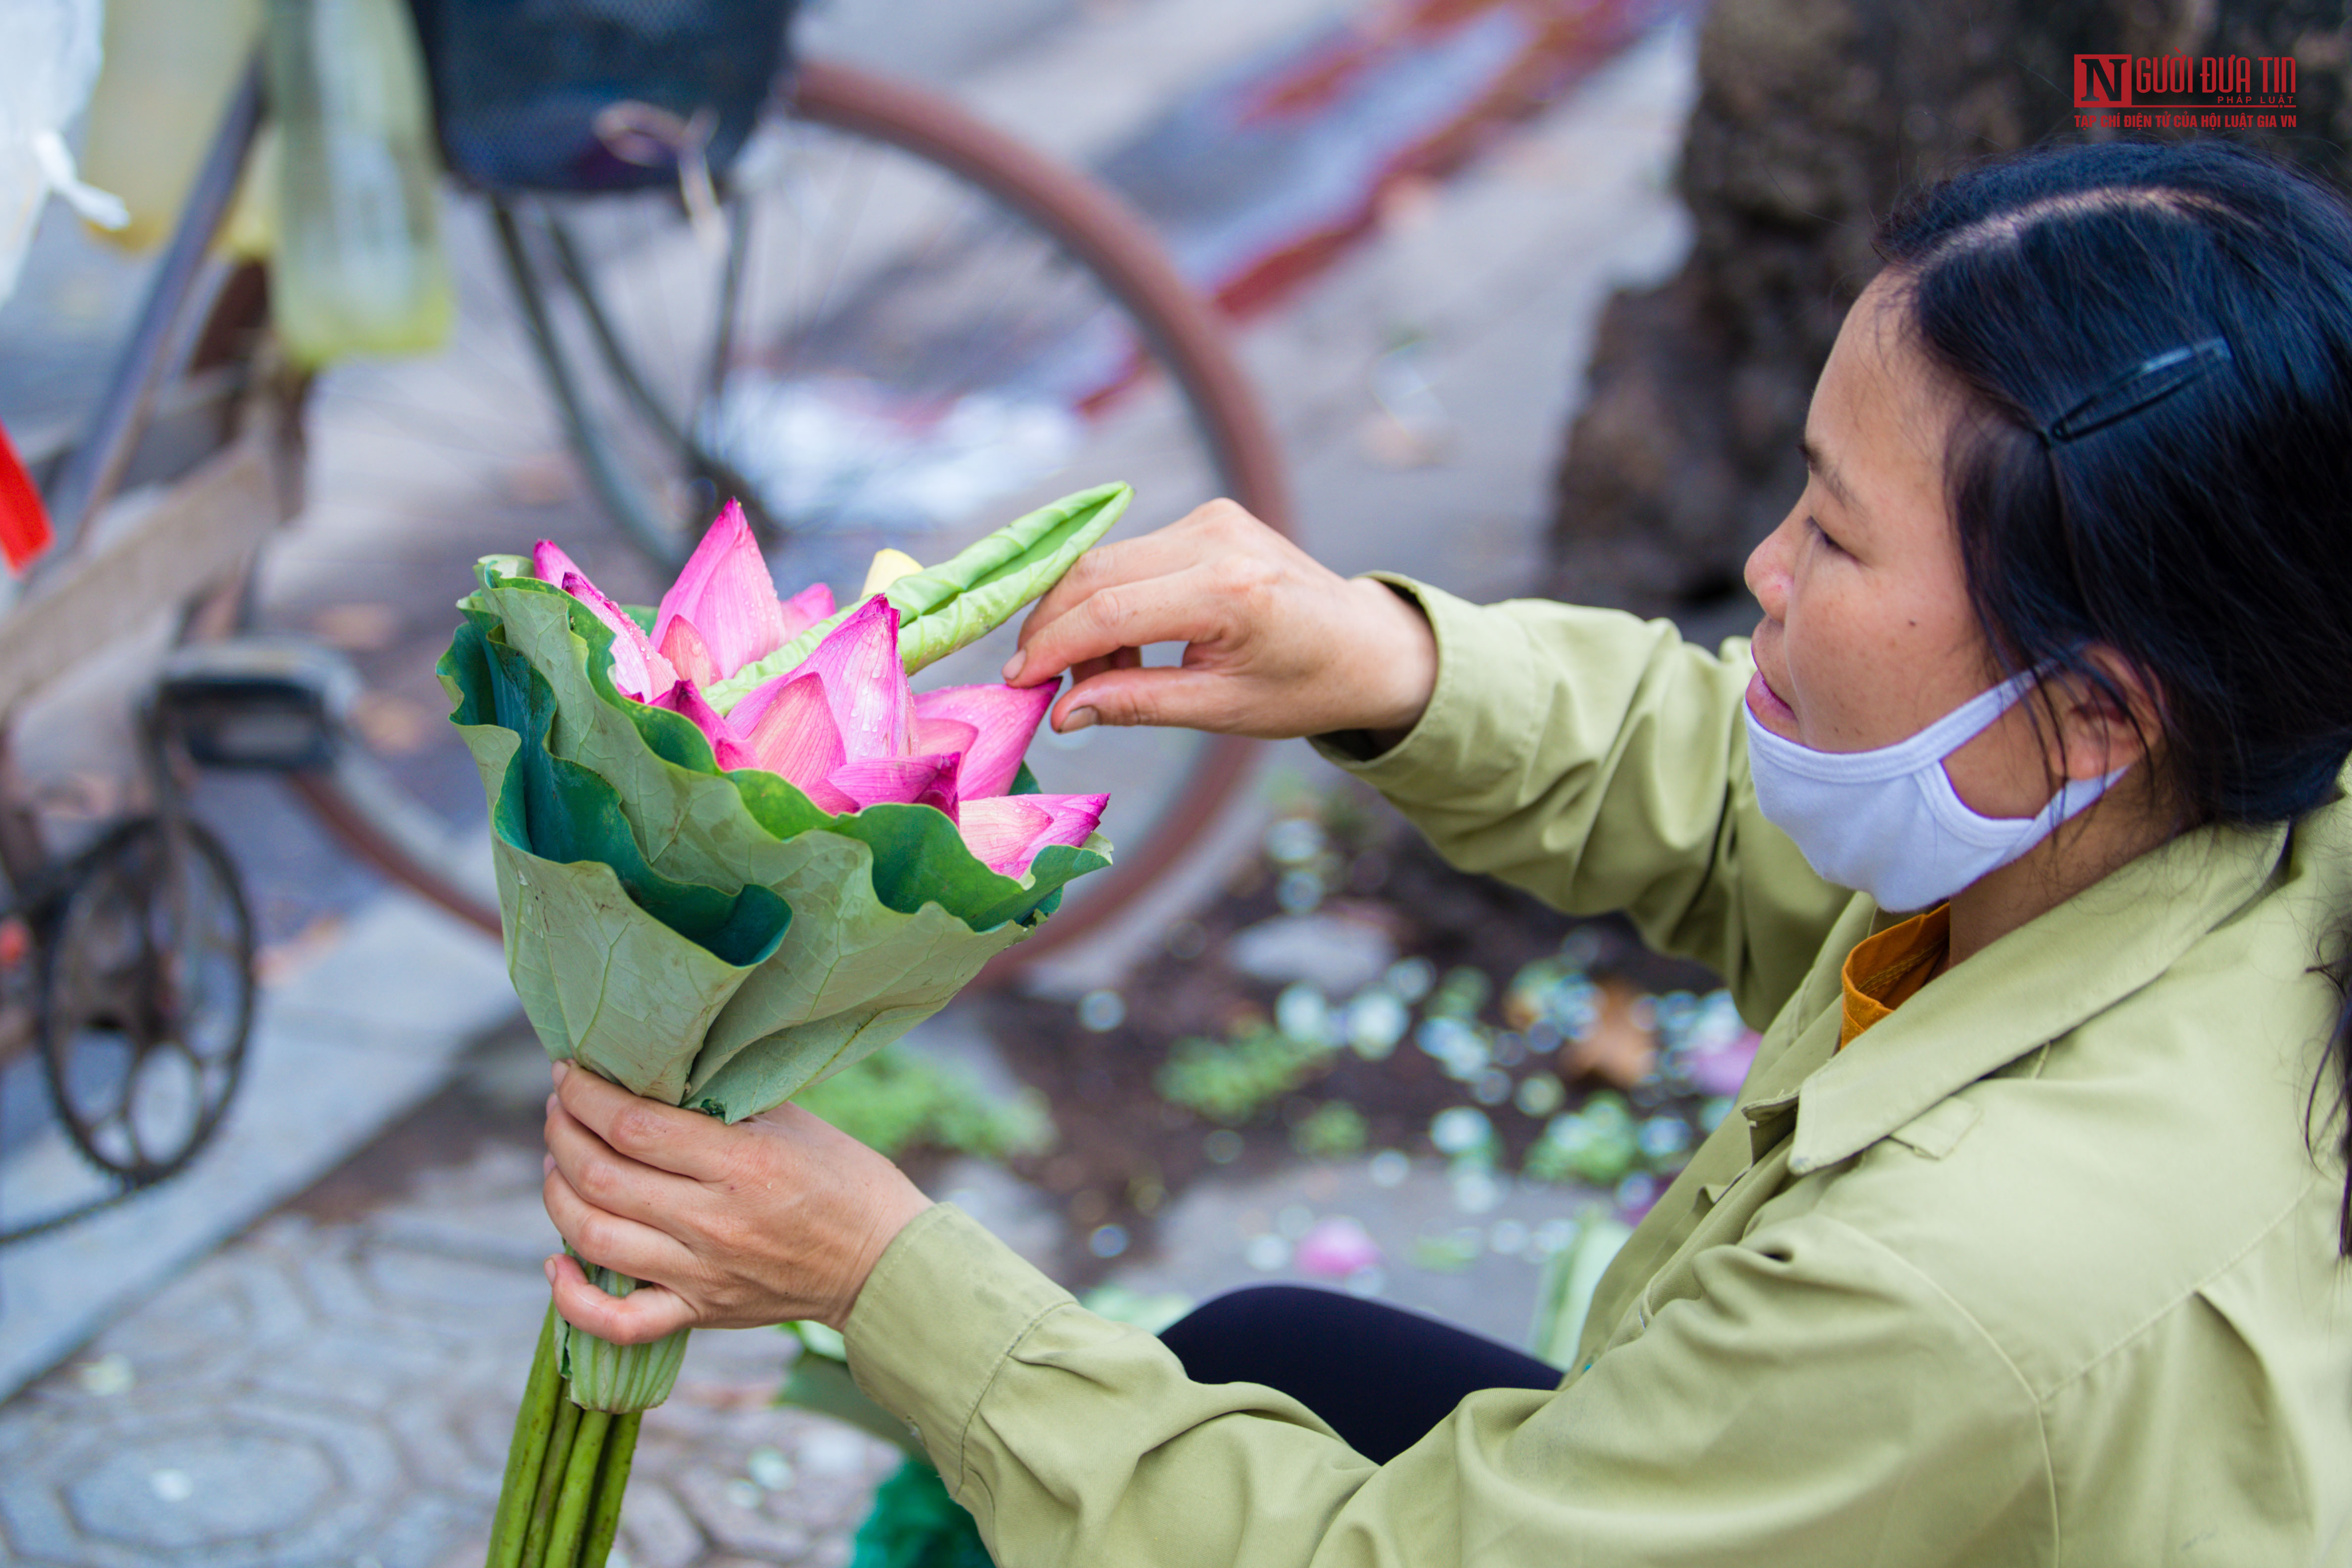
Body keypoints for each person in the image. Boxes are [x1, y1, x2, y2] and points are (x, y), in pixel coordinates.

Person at [534, 138, 2352, 1562]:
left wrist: (881, 1274)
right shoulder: (2207, 793)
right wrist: (1389, 665)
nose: (1766, 578)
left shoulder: (1953, 1280)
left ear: (2096, 707)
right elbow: (1738, 799)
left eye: (1836, 536)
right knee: (1263, 1356)